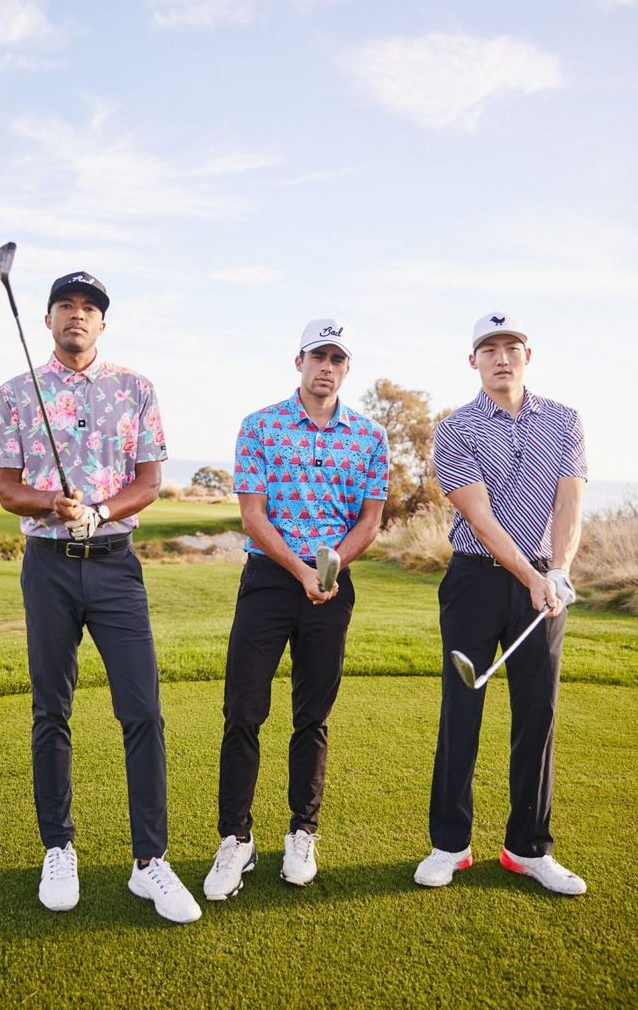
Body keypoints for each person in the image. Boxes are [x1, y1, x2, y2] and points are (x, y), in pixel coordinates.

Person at [0, 271, 201, 923]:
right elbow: (6, 487)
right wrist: (50, 504)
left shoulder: (136, 388)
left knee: (142, 711)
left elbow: (150, 481)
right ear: (50, 320)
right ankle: (59, 848)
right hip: (47, 566)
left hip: (115, 567)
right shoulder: (16, 393)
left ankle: (150, 863)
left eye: (90, 308)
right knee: (51, 709)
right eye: (66, 306)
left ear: (102, 324)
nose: (78, 315)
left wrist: (100, 510)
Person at [203, 319, 390, 900]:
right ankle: (236, 839)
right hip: (269, 579)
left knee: (312, 716)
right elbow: (253, 516)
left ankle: (301, 832)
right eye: (317, 356)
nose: (326, 366)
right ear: (299, 361)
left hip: (332, 589)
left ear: (346, 368)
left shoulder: (369, 436)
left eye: (337, 358)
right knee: (243, 711)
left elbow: (370, 520)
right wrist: (302, 571)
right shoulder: (259, 426)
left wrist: (328, 569)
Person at [414, 311, 587, 896]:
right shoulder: (454, 427)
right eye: (489, 349)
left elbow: (569, 504)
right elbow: (479, 517)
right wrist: (531, 574)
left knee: (537, 712)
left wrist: (557, 571)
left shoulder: (564, 420)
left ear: (527, 356)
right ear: (473, 361)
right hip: (474, 581)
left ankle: (527, 848)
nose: (501, 357)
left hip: (545, 582)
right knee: (462, 707)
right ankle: (450, 846)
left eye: (511, 346)